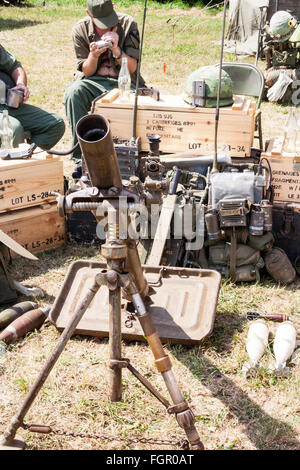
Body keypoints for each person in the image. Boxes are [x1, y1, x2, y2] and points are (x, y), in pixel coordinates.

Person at [63, 0, 145, 164]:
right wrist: (93, 56)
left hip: (125, 80)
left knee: (142, 104)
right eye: (102, 24)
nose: (107, 28)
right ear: (89, 14)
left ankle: (137, 155)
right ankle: (81, 157)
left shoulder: (129, 24)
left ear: (113, 8)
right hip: (93, 81)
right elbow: (87, 71)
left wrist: (116, 49)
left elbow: (132, 67)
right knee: (73, 92)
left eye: (110, 22)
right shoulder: (80, 29)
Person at [0, 44, 65, 150]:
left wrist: (21, 84)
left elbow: (14, 66)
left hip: (6, 102)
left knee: (55, 124)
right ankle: (14, 164)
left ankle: (28, 158)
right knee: (14, 129)